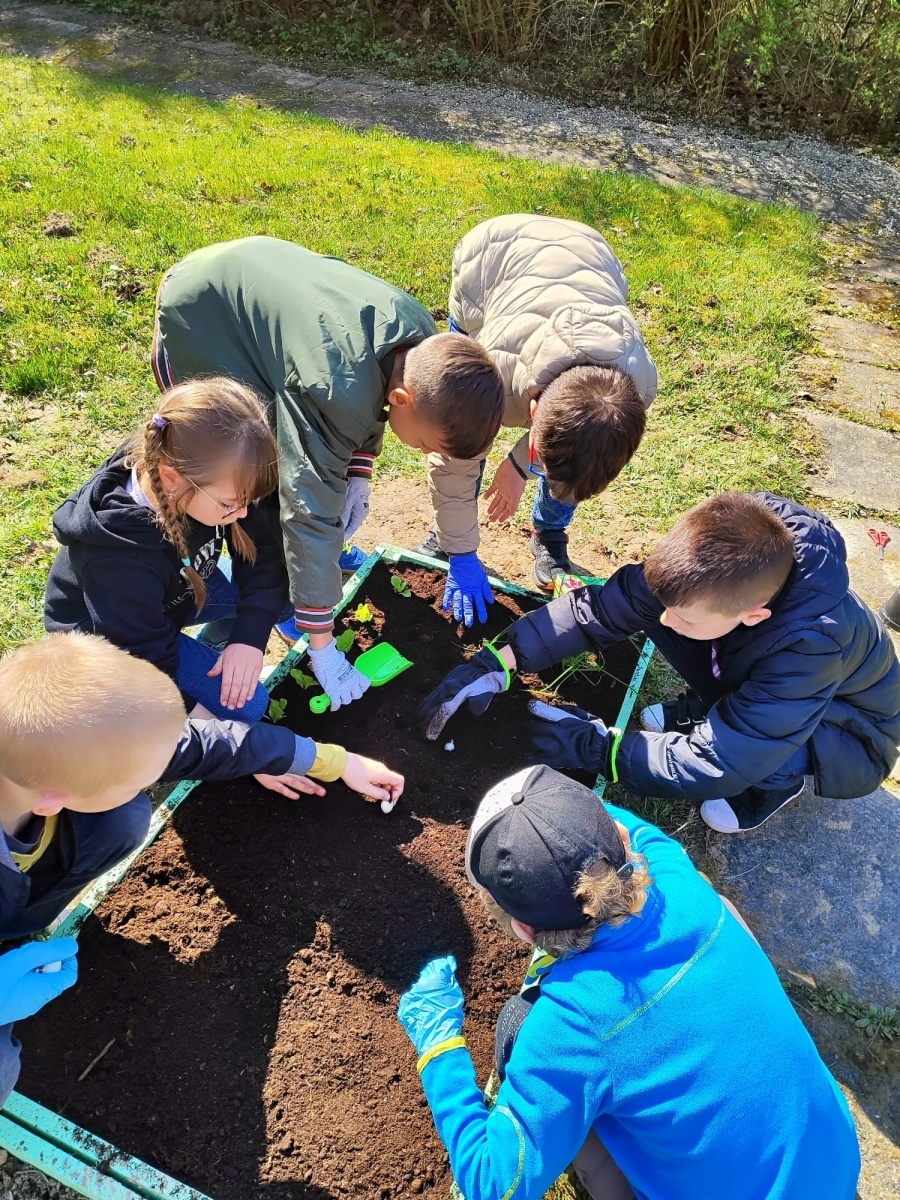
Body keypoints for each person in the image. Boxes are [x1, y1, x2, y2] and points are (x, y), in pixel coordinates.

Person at [398, 765, 861, 1200]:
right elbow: (633, 831)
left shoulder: (571, 1026)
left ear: (523, 930)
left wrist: (439, 1045)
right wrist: (558, 812)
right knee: (723, 910)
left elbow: (493, 1184)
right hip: (834, 1168)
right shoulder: (677, 877)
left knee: (517, 1029)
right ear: (621, 840)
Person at [0, 632, 404, 1104]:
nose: (155, 779)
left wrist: (335, 761)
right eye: (142, 779)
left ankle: (22, 924)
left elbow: (208, 745)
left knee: (124, 816)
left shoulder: (54, 754)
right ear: (55, 800)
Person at [420, 492, 900, 832]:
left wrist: (600, 750)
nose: (667, 621)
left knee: (761, 751)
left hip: (847, 731)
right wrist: (498, 661)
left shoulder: (811, 649)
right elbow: (601, 609)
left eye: (685, 617)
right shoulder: (719, 554)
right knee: (662, 616)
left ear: (753, 614)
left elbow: (721, 760)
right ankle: (714, 707)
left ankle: (772, 786)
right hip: (768, 678)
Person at [153, 236, 505, 673]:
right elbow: (307, 506)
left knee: (287, 472)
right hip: (202, 316)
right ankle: (259, 609)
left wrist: (358, 469)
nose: (423, 452)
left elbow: (370, 386)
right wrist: (320, 637)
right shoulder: (331, 389)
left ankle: (283, 586)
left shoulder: (419, 341)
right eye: (425, 445)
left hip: (256, 277)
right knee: (250, 474)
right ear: (402, 399)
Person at [417, 214, 657, 590]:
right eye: (538, 464)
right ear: (532, 411)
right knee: (464, 432)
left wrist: (517, 466)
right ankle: (443, 536)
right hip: (491, 257)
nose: (539, 470)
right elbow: (454, 458)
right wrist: (459, 547)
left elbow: (574, 449)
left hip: (590, 254)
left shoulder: (635, 391)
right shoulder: (486, 375)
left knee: (576, 462)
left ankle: (549, 534)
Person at [45, 378, 289, 722]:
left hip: (178, 592)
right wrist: (209, 727)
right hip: (113, 643)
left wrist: (248, 639)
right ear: (171, 479)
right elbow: (142, 663)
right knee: (246, 709)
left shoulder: (215, 479)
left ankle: (214, 648)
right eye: (231, 504)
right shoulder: (119, 560)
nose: (244, 514)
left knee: (282, 598)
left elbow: (262, 556)